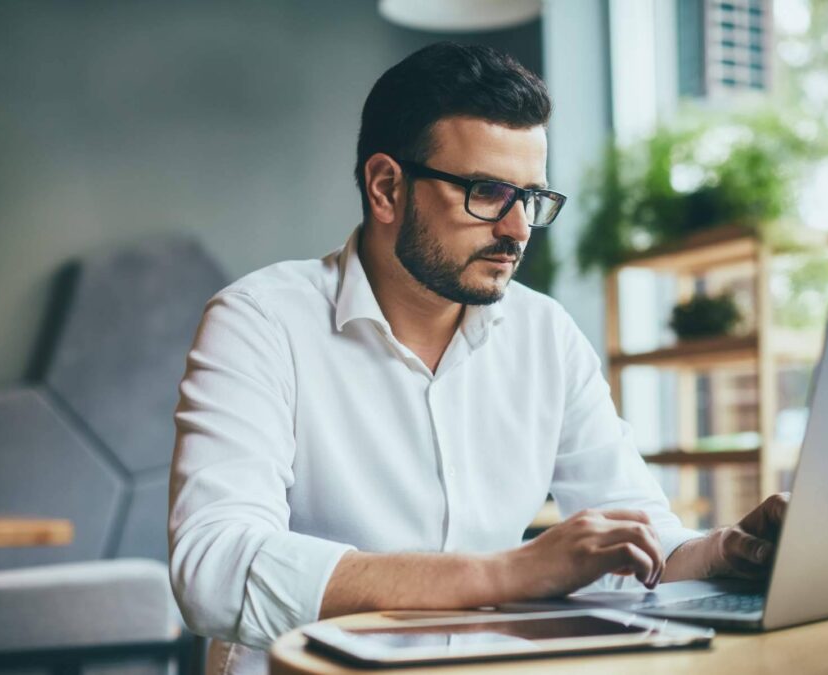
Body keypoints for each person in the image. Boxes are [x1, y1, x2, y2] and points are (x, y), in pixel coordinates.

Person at [168, 42, 788, 675]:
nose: (519, 228)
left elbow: (639, 544)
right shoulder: (259, 322)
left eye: (532, 197)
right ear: (386, 187)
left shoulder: (546, 334)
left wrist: (724, 552)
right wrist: (507, 573)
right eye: (489, 192)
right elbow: (213, 568)